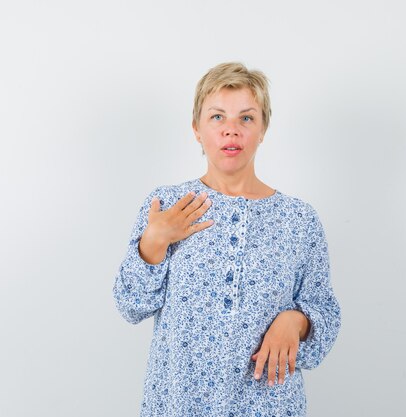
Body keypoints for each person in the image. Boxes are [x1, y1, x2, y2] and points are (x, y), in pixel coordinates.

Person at [112, 62, 341, 417]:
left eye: (246, 118)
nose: (231, 131)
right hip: (179, 404)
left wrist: (296, 321)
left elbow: (325, 313)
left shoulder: (300, 220)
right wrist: (154, 242)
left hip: (269, 405)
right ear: (196, 129)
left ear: (263, 128)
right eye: (217, 117)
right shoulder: (169, 205)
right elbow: (130, 305)